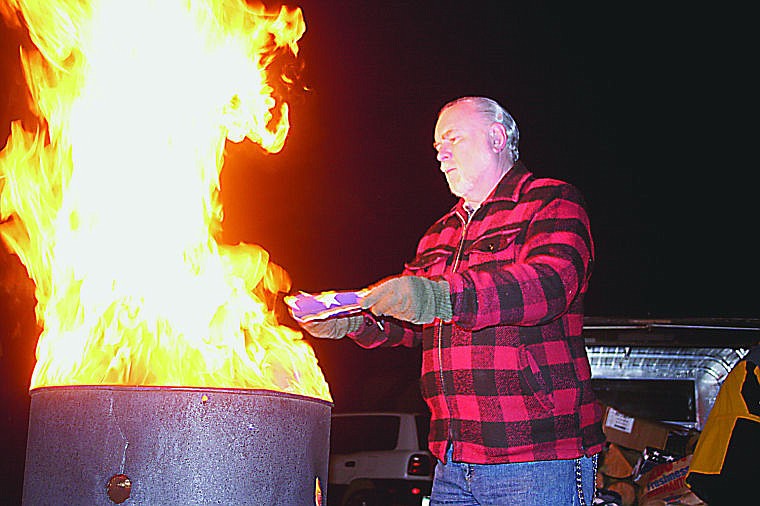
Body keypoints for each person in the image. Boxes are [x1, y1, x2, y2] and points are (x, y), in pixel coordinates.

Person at [300, 96, 605, 505]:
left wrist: (441, 295)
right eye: (437, 146)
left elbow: (550, 285)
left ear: (497, 137)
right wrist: (355, 321)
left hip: (537, 456)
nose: (441, 154)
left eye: (452, 138)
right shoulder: (438, 234)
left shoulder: (551, 201)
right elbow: (413, 323)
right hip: (451, 461)